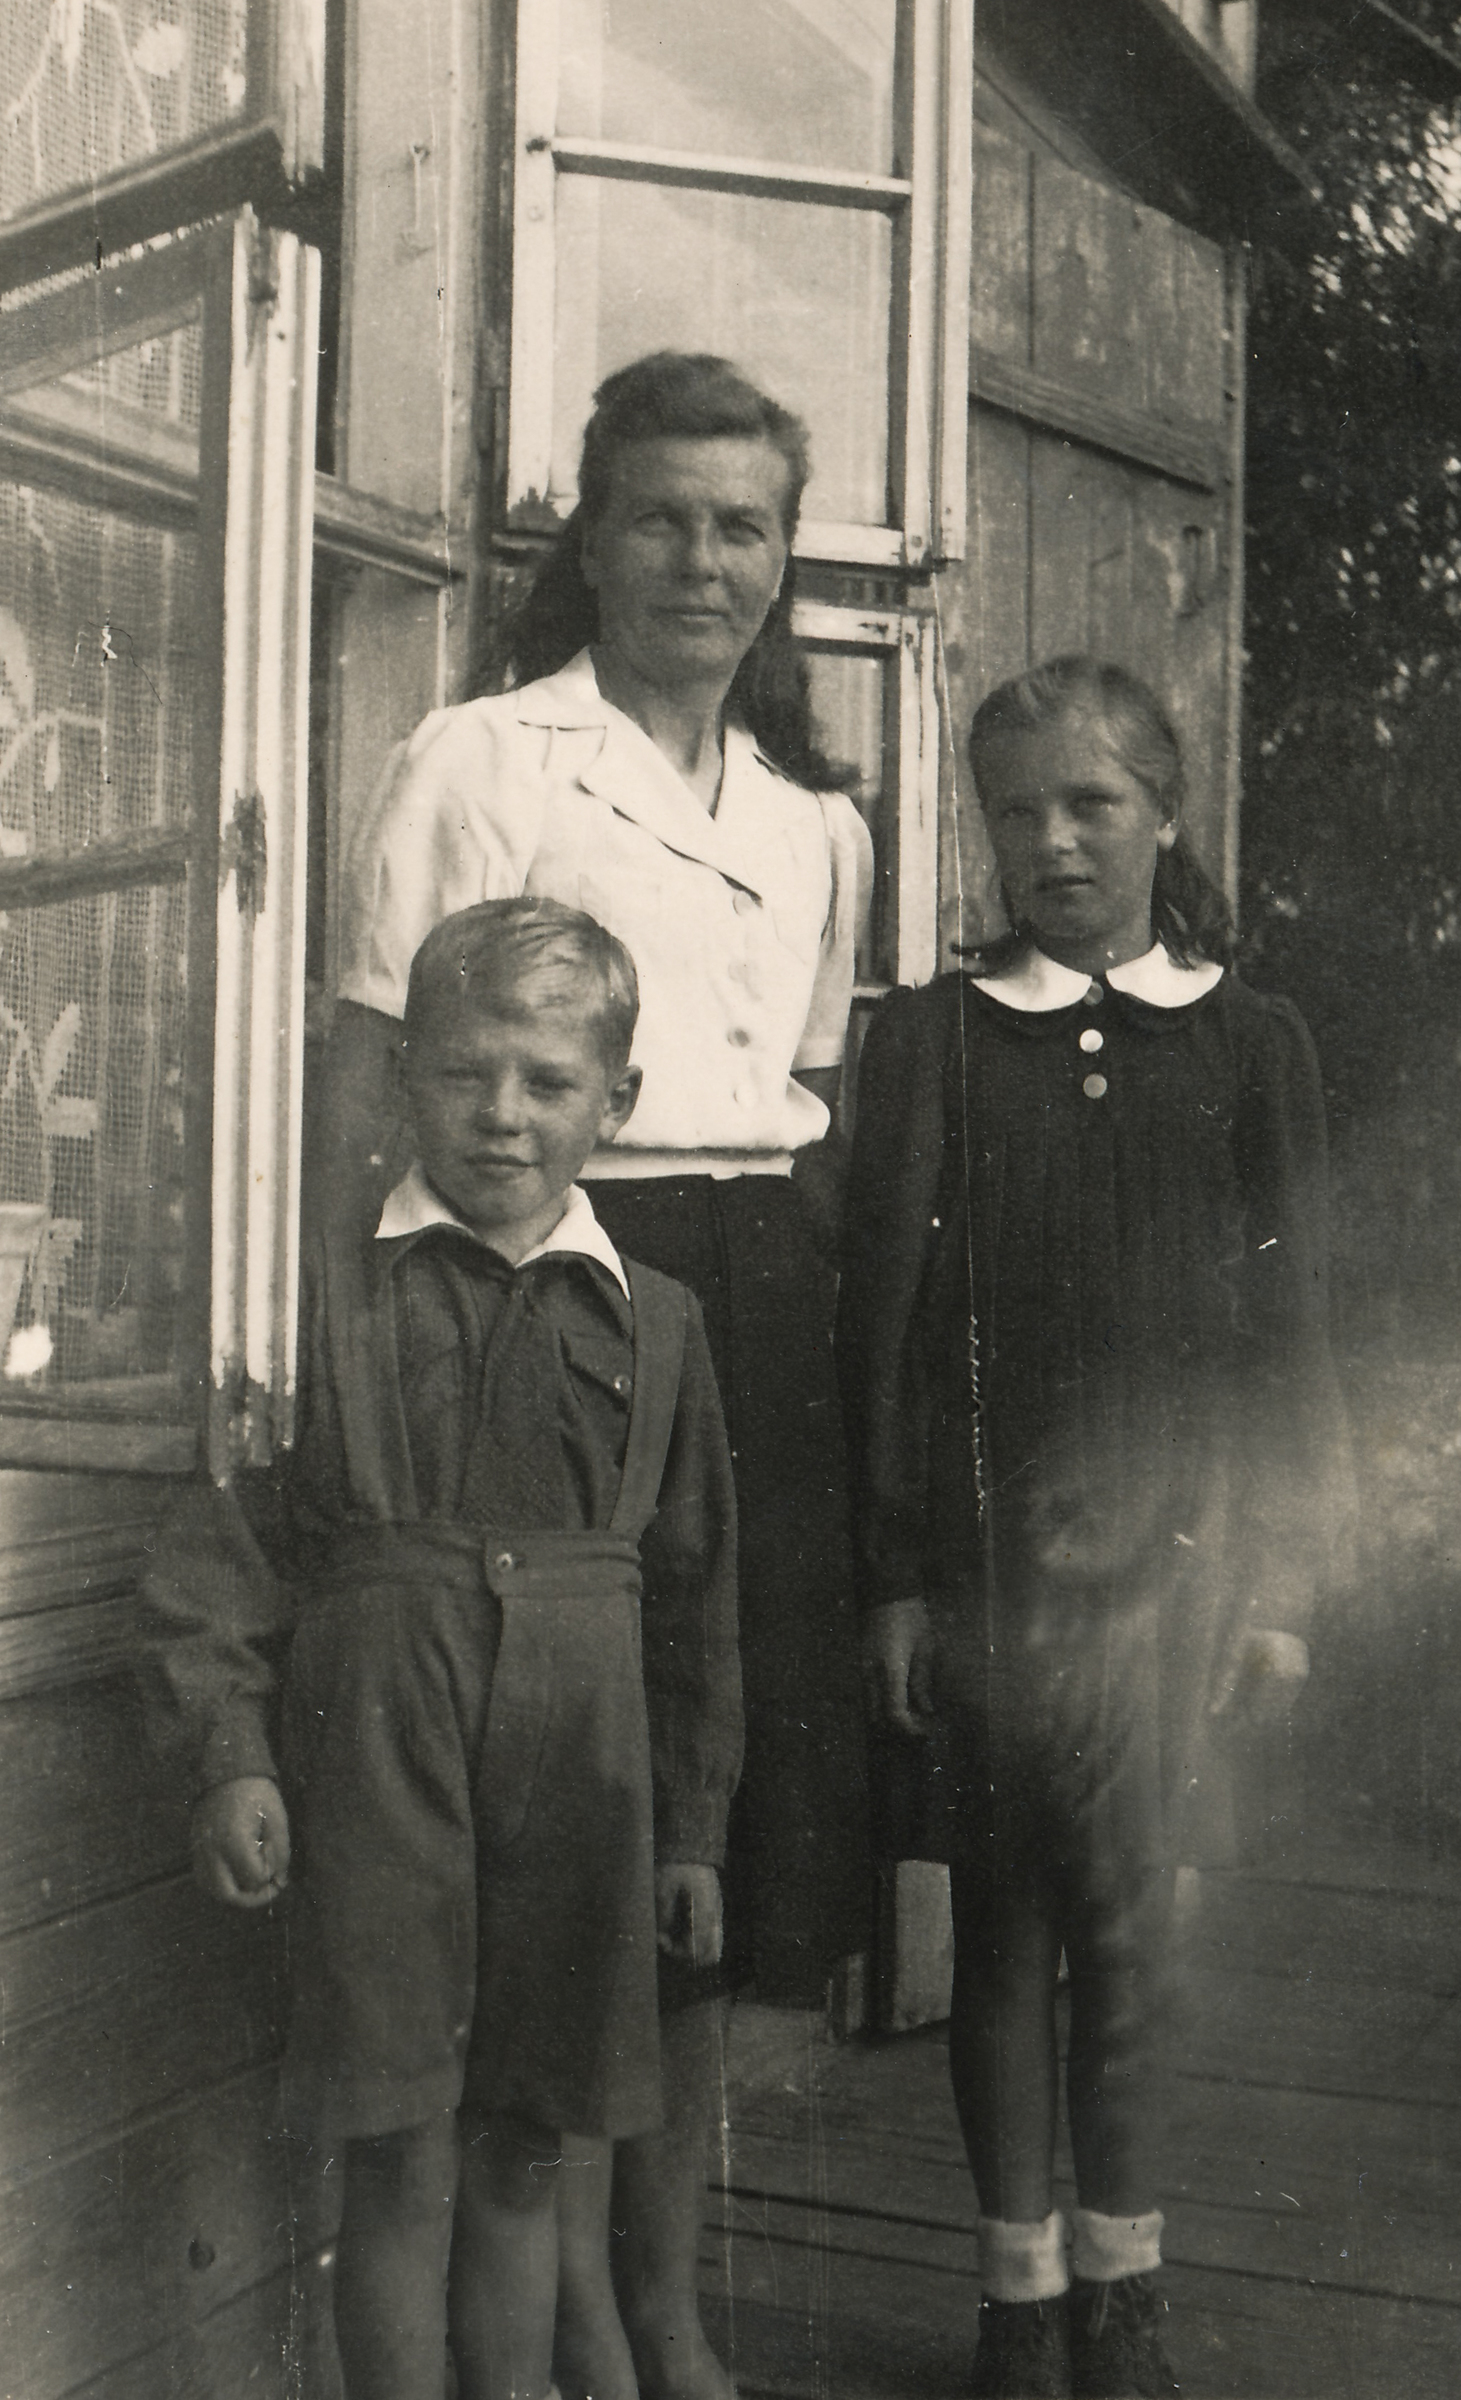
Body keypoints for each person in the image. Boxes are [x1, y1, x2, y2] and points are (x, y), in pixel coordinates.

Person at [317, 351, 873, 2400]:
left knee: (697, 1791)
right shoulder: (482, 756)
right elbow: (373, 1082)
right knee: (544, 1775)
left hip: (740, 1304)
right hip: (539, 1273)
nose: (700, 562)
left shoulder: (816, 825)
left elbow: (809, 1101)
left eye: (743, 526)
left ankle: (654, 2301)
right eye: (659, 517)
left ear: (785, 555)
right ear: (591, 533)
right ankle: (555, 2316)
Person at [141, 898, 743, 2400]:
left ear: (619, 1102)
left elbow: (694, 1604)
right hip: (376, 1764)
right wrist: (231, 1756)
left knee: (528, 2149)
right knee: (400, 2153)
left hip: (585, 1786)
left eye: (549, 1081)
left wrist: (693, 1830)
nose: (503, 1115)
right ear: (406, 1073)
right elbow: (220, 1553)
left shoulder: (658, 1324)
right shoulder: (319, 1293)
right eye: (466, 1072)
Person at [838, 657, 1352, 2400]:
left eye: (1093, 804)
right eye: (1017, 812)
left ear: (1164, 812)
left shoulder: (1250, 1041)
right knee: (1003, 1932)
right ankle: (1019, 2299)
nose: (1053, 842)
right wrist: (896, 1579)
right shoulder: (934, 1039)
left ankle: (1125, 2293)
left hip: (1183, 1568)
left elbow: (1295, 1334)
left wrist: (1284, 1580)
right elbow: (887, 1334)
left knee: (1134, 1929)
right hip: (992, 1565)